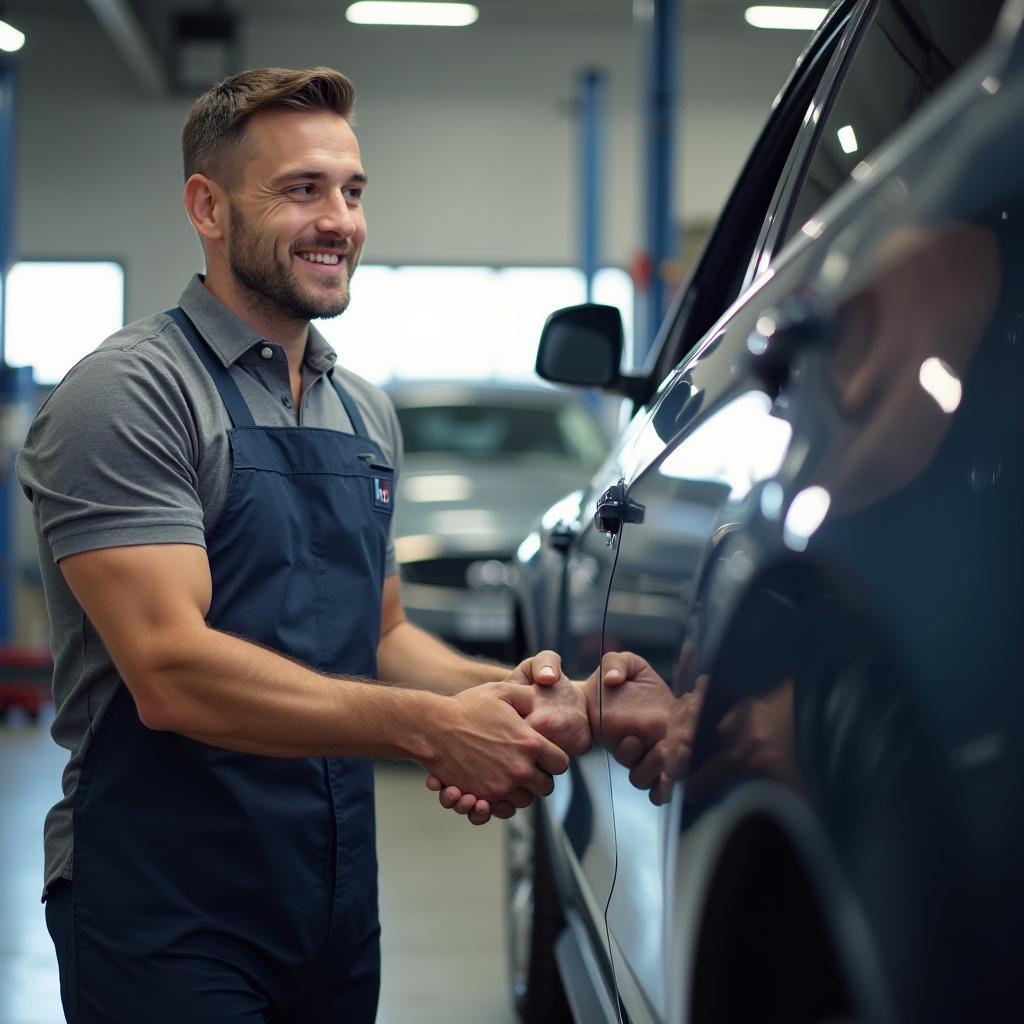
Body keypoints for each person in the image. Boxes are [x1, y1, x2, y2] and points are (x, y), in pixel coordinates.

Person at [17, 65, 590, 1024]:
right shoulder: (132, 395)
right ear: (207, 206)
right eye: (301, 190)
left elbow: (383, 635)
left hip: (329, 899)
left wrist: (521, 701)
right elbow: (170, 671)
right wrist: (430, 729)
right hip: (167, 905)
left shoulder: (360, 409)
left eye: (352, 191)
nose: (340, 220)